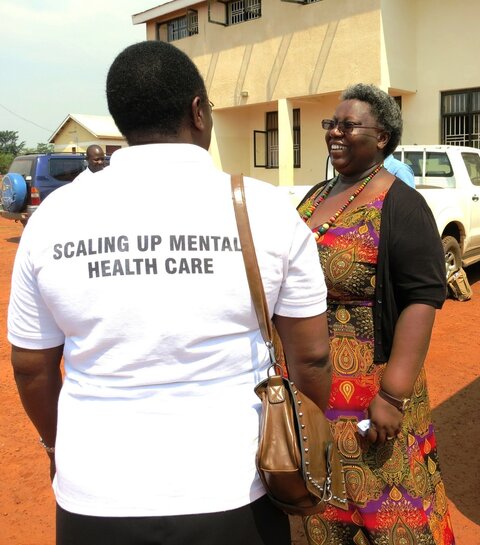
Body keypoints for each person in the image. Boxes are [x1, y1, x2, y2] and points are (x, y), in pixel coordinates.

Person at [8, 41, 332, 545]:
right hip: (235, 488)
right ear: (198, 112)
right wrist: (303, 439)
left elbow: (31, 366)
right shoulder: (266, 210)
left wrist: (57, 446)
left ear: (121, 121)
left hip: (94, 489)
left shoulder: (52, 218)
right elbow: (310, 359)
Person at [297, 83, 455, 545]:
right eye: (331, 124)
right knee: (322, 501)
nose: (334, 133)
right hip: (315, 388)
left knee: (390, 507)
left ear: (382, 137)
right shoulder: (316, 195)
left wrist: (394, 393)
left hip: (372, 390)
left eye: (348, 125)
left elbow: (422, 298)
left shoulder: (400, 204)